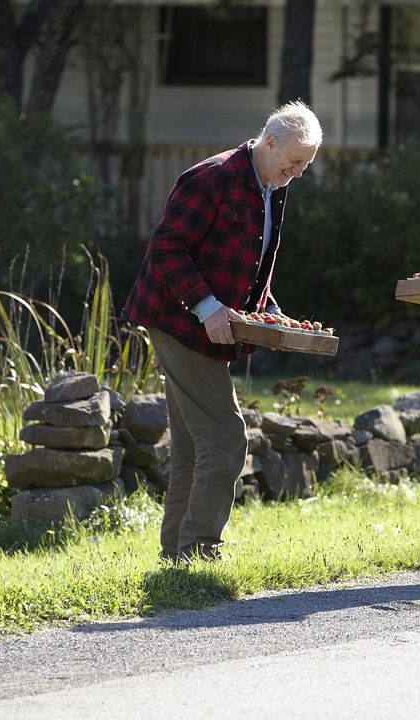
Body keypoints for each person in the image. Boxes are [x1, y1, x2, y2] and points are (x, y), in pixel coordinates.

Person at [122, 101, 322, 563]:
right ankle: (199, 550)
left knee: (195, 445)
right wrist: (208, 307)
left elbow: (253, 260)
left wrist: (269, 311)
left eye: (306, 164)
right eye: (295, 161)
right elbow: (166, 247)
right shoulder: (211, 178)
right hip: (179, 320)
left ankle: (177, 556)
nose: (299, 172)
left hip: (212, 324)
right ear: (269, 144)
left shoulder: (274, 182)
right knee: (227, 439)